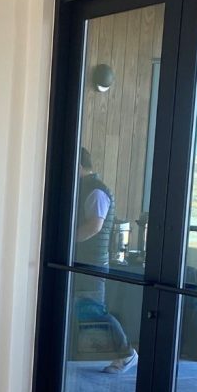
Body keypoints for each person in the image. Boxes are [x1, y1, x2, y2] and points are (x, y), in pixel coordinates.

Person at [73, 147, 138, 374]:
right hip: (83, 262)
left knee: (93, 310)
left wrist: (67, 241)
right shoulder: (86, 188)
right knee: (80, 309)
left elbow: (94, 226)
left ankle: (127, 354)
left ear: (79, 166)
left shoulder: (97, 191)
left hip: (92, 264)